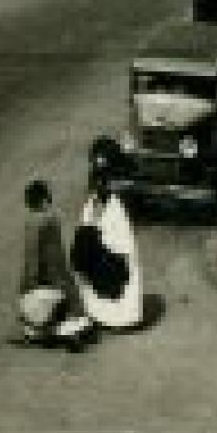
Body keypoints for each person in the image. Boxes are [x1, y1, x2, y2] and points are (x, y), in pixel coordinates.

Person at [71, 138, 143, 331]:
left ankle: (112, 315)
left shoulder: (107, 197)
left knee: (115, 260)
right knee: (115, 260)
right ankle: (115, 315)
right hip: (106, 226)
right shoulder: (103, 196)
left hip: (108, 225)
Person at [19, 181, 93, 346]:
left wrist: (28, 283)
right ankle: (72, 325)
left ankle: (47, 328)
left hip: (47, 280)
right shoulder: (52, 218)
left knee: (34, 304)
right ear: (45, 199)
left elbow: (32, 257)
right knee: (68, 296)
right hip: (60, 276)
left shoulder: (34, 223)